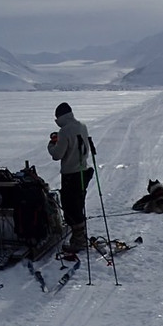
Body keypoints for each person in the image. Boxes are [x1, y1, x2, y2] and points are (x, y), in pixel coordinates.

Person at [47, 101, 93, 251]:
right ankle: (80, 236)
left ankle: (78, 241)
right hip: (83, 171)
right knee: (78, 204)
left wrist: (51, 145)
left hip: (71, 174)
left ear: (60, 117)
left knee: (70, 208)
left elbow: (57, 155)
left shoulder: (65, 131)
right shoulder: (82, 126)